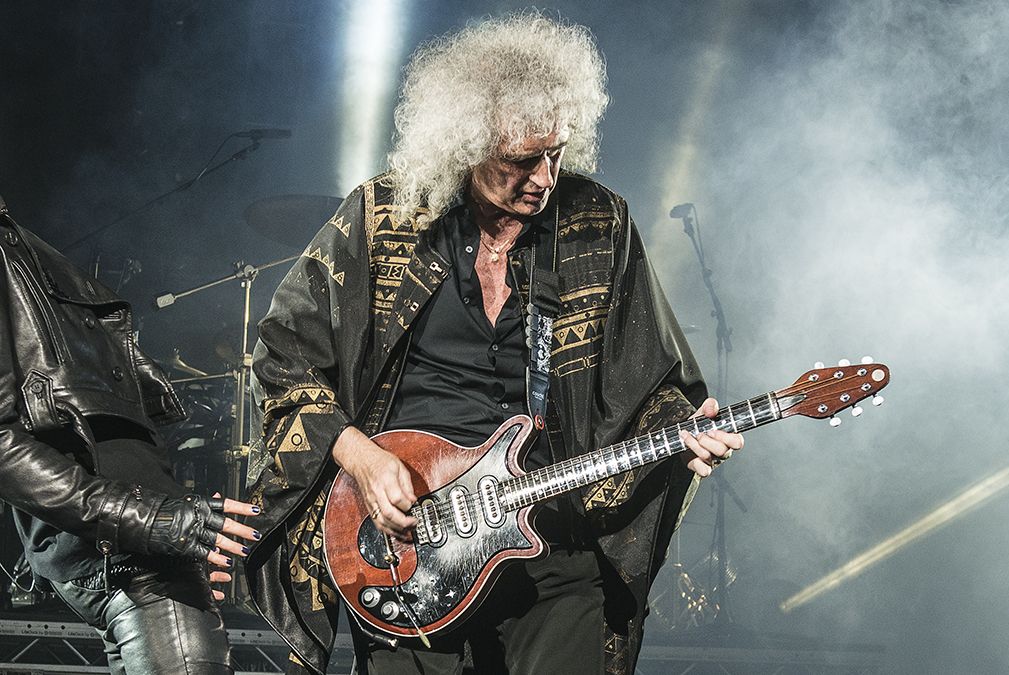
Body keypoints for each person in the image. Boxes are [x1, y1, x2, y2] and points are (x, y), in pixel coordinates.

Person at [245, 12, 743, 675]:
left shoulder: (598, 223)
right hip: (412, 543)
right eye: (520, 159)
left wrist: (685, 428)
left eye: (557, 152)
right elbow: (282, 355)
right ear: (466, 142)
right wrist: (359, 456)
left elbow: (650, 379)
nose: (543, 176)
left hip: (550, 540)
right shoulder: (383, 218)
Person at [0, 195, 260, 674]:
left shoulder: (20, 244)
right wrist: (150, 518)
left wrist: (177, 526)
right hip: (125, 553)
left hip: (139, 550)